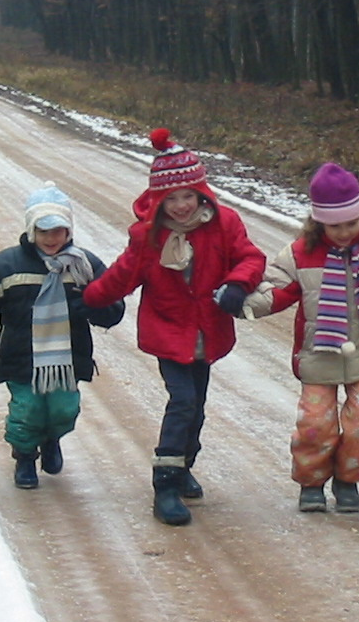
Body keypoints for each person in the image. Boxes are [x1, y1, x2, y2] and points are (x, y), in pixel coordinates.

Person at [82, 128, 266, 526]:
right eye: (172, 198)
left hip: (209, 333)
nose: (182, 206)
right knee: (182, 401)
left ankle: (183, 467)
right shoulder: (149, 237)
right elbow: (122, 276)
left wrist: (237, 284)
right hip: (168, 332)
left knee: (196, 408)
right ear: (157, 200)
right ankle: (164, 484)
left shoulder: (223, 223)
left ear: (202, 194)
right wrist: (88, 299)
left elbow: (250, 258)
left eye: (189, 196)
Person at [242, 163, 359, 513]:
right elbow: (276, 290)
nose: (343, 232)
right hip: (319, 356)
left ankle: (348, 480)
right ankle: (312, 483)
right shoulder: (299, 255)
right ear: (318, 223)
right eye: (334, 225)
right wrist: (243, 303)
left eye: (350, 223)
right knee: (315, 425)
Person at [0, 186, 125, 489]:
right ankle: (25, 455)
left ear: (69, 230)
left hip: (67, 357)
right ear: (31, 230)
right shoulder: (7, 265)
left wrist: (92, 303)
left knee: (64, 408)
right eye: (44, 231)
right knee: (28, 410)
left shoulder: (84, 266)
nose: (52, 239)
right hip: (22, 356)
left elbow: (113, 306)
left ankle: (52, 437)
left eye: (59, 231)